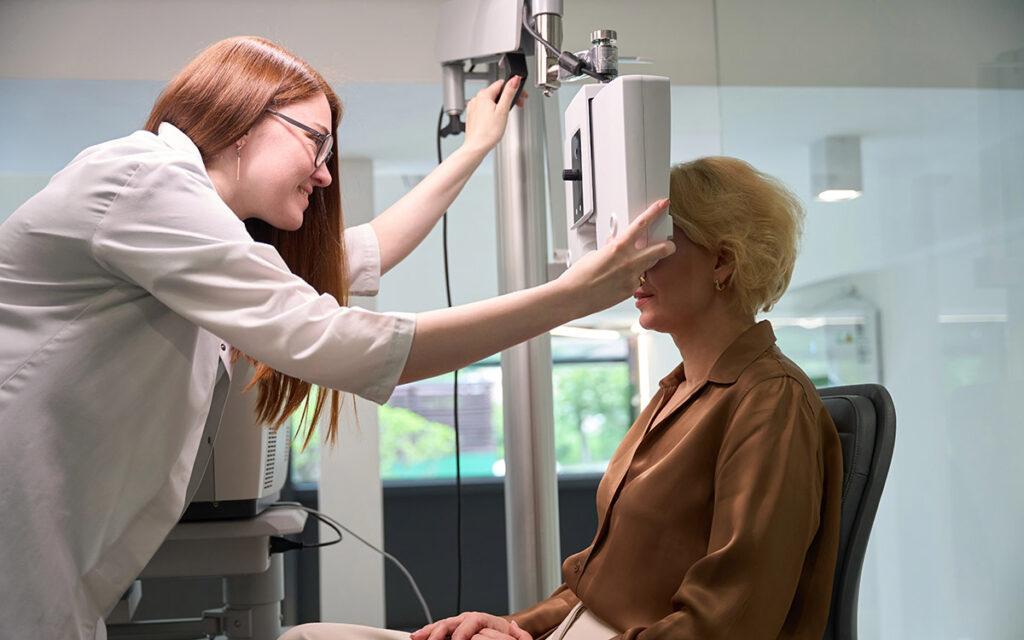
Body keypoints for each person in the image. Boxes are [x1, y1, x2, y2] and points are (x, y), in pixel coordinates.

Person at [0, 36, 673, 640]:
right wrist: (573, 297)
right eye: (316, 142)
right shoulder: (146, 180)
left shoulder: (196, 231)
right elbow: (344, 344)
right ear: (242, 118)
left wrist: (474, 149)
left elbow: (365, 251)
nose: (325, 173)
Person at [281, 157, 844, 640]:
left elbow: (727, 624)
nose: (632, 265)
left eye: (655, 245)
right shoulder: (677, 392)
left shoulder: (770, 400)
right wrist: (511, 626)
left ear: (722, 261)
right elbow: (595, 590)